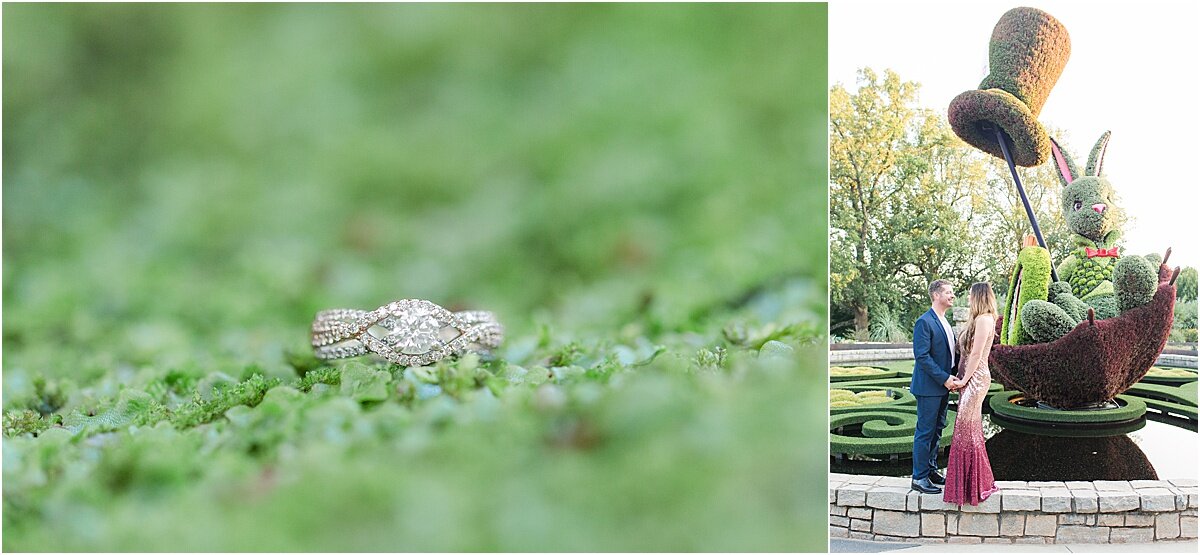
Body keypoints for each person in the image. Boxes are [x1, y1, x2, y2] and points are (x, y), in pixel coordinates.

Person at [943, 283, 1000, 505]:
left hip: (976, 379)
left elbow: (976, 354)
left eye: (969, 295)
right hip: (970, 377)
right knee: (967, 429)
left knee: (966, 430)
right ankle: (969, 485)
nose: (967, 298)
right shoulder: (978, 319)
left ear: (978, 296)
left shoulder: (985, 319)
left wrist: (964, 380)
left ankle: (976, 485)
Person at [910, 279, 960, 494]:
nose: (952, 295)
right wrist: (944, 378)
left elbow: (949, 354)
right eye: (948, 292)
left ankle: (930, 470)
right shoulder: (925, 321)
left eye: (952, 292)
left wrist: (956, 375)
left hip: (943, 386)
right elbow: (922, 356)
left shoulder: (945, 322)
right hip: (929, 387)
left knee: (937, 430)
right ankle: (918, 478)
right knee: (925, 432)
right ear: (936, 295)